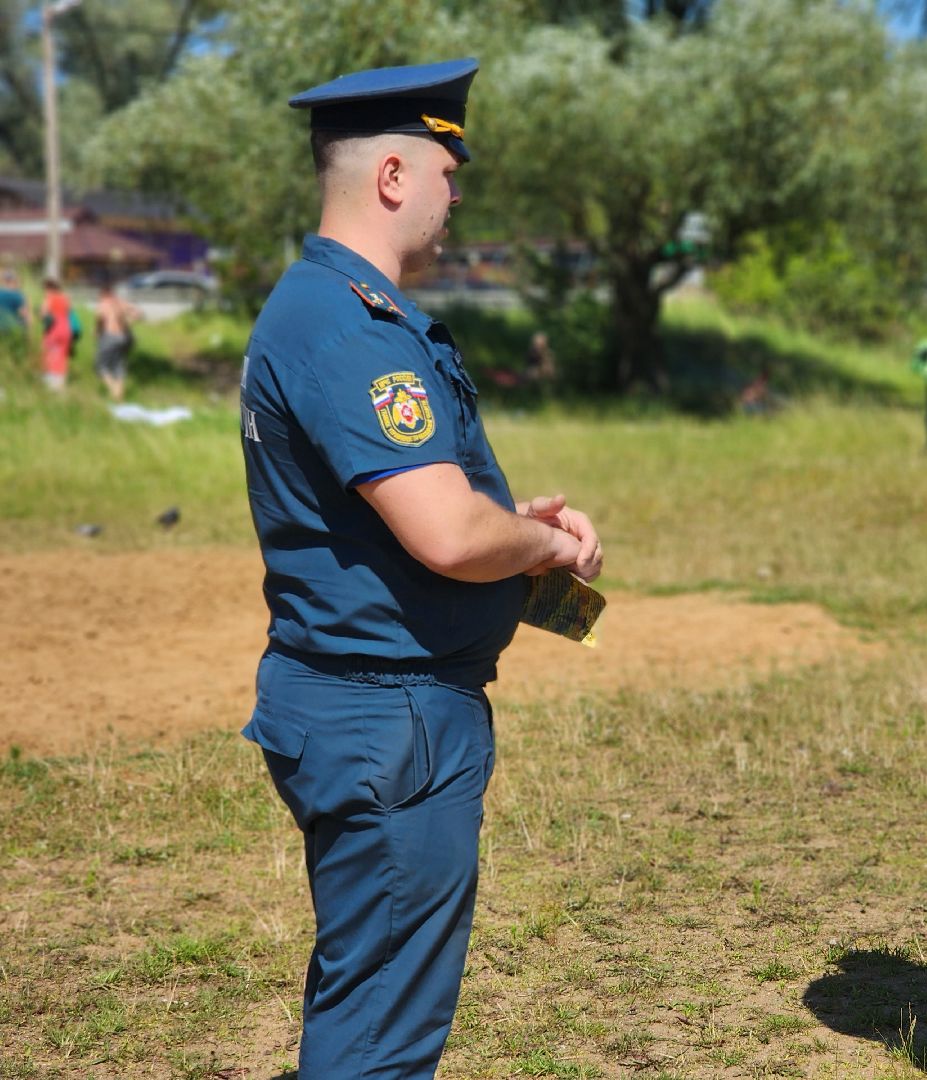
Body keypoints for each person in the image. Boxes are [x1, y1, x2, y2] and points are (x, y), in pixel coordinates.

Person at [238, 59, 603, 1079]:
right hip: (387, 717)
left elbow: (409, 509)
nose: (456, 191)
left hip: (370, 710)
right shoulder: (347, 324)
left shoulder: (336, 308)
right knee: (382, 1040)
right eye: (449, 167)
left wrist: (505, 521)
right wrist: (547, 546)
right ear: (394, 173)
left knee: (368, 991)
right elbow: (444, 536)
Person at [93, 280, 142, 401]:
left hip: (110, 336)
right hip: (124, 337)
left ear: (103, 293)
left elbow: (100, 317)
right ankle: (119, 394)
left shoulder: (103, 303)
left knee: (101, 366)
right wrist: (128, 324)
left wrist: (97, 330)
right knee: (118, 364)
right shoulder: (120, 302)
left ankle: (113, 389)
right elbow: (138, 313)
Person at [39, 277, 73, 391]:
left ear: (48, 288)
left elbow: (43, 314)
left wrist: (40, 313)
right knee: (62, 355)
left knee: (50, 354)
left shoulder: (49, 297)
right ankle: (61, 384)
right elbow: (68, 311)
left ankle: (51, 384)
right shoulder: (66, 298)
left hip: (53, 330)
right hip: (66, 329)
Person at [0, 269, 29, 334]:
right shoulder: (17, 295)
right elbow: (25, 315)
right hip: (11, 328)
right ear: (14, 281)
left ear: (3, 281)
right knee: (24, 321)